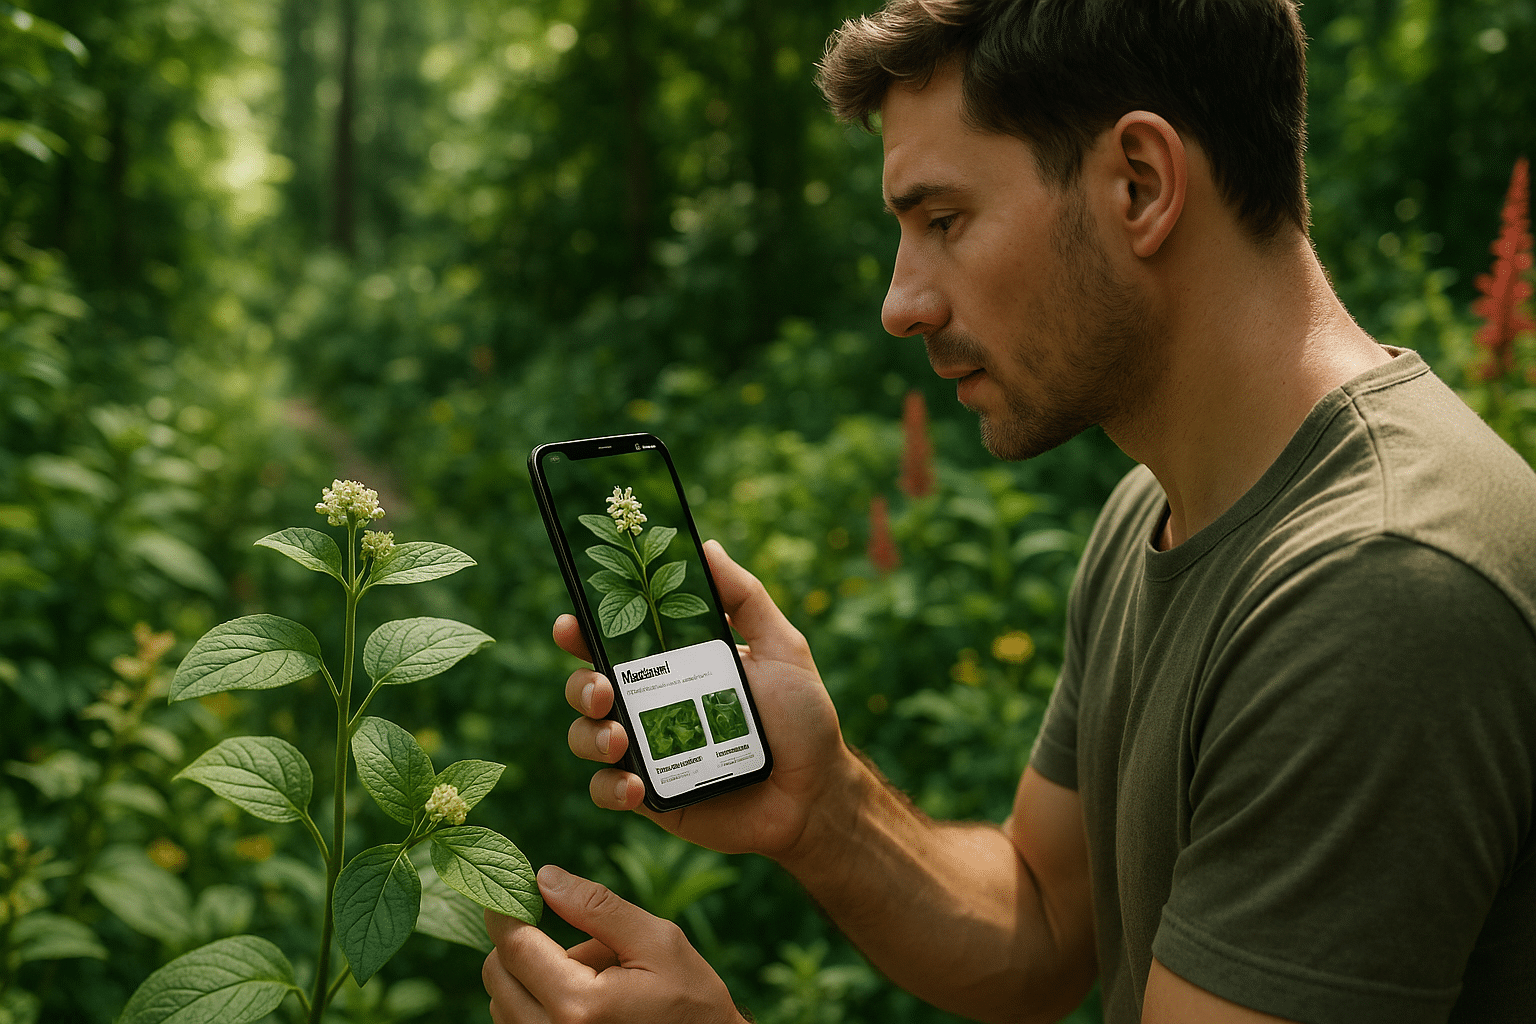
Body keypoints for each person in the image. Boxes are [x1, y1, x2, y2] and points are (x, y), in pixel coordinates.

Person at [482, 1, 1536, 1021]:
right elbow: (1041, 926)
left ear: (1140, 183)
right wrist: (827, 808)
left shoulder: (1378, 588)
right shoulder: (1156, 512)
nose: (903, 303)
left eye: (944, 220)